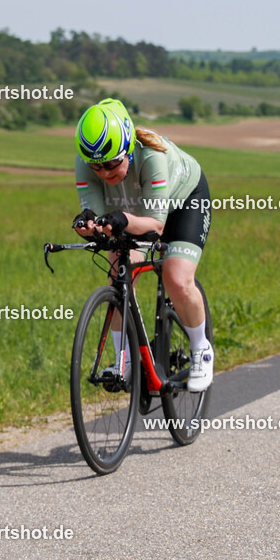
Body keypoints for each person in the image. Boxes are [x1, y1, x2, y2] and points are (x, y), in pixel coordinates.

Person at [71, 98, 214, 391]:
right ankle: (122, 359)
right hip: (135, 212)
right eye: (95, 166)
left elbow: (155, 225)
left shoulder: (152, 157)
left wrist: (121, 219)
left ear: (128, 150)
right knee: (120, 272)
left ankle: (201, 349)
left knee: (176, 276)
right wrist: (89, 225)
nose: (104, 173)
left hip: (182, 204)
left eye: (111, 163)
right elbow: (98, 220)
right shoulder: (88, 163)